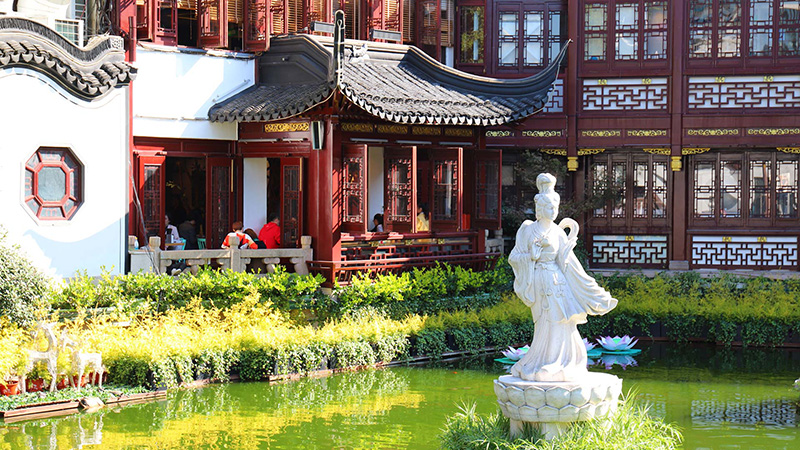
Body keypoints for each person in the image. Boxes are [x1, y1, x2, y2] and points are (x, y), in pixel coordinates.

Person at [508, 173, 617, 382]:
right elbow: (514, 256)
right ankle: (543, 361)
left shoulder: (558, 233)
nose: (553, 211)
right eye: (549, 207)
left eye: (555, 207)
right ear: (540, 209)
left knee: (565, 322)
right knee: (547, 322)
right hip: (539, 280)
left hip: (559, 282)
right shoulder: (528, 229)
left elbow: (570, 264)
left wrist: (593, 291)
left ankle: (565, 362)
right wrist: (531, 257)